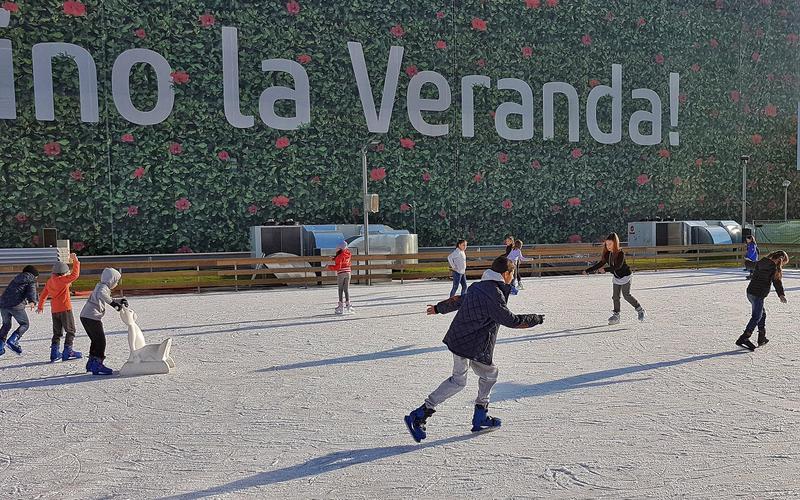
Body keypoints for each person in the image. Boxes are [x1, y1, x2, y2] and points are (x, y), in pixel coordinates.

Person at [404, 256, 545, 443]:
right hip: (473, 344)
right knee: (488, 374)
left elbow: (460, 300)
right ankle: (477, 415)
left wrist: (439, 308)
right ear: (505, 274)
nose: (512, 277)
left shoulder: (479, 286)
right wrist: (535, 319)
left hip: (460, 339)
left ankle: (424, 413)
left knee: (460, 380)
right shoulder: (494, 293)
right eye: (512, 274)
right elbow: (511, 320)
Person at [583, 232, 646, 325]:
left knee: (626, 295)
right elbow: (600, 264)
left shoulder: (620, 253)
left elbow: (618, 266)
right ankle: (616, 316)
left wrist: (605, 270)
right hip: (616, 277)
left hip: (626, 276)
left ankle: (640, 310)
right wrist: (588, 270)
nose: (608, 246)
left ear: (615, 243)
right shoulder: (607, 254)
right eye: (606, 244)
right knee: (615, 297)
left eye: (610, 244)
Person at [736, 250, 788, 351]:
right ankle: (744, 337)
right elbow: (777, 282)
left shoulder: (762, 262)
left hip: (750, 292)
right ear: (779, 259)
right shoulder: (773, 268)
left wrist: (746, 261)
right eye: (783, 262)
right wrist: (781, 295)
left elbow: (750, 265)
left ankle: (761, 337)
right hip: (758, 294)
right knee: (757, 316)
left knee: (762, 314)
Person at [80, 268, 126, 375]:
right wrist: (114, 305)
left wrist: (120, 300)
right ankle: (97, 364)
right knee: (101, 341)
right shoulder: (103, 288)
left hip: (85, 316)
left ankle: (91, 362)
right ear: (111, 280)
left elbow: (106, 297)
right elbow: (103, 295)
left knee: (95, 340)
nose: (116, 284)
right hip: (92, 317)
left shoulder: (100, 286)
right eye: (116, 281)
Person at [37, 253, 83, 362]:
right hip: (65, 309)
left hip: (54, 310)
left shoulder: (50, 281)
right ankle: (68, 351)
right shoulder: (63, 279)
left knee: (57, 333)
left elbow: (43, 294)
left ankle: (54, 354)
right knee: (71, 330)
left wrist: (40, 306)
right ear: (63, 273)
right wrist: (75, 261)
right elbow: (75, 275)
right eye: (67, 272)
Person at [0, 265, 39, 356]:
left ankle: (0, 347)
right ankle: (13, 341)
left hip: (3, 305)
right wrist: (32, 301)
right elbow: (31, 290)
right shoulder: (31, 279)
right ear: (33, 274)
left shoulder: (16, 279)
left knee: (6, 325)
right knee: (25, 324)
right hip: (16, 305)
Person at [327, 241, 353, 315]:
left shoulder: (339, 256)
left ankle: (340, 306)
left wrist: (329, 267)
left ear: (339, 248)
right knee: (346, 289)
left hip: (341, 273)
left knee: (340, 289)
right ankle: (348, 305)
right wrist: (334, 258)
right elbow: (342, 259)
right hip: (348, 272)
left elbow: (338, 267)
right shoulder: (348, 254)